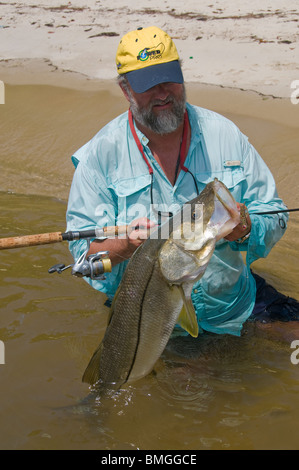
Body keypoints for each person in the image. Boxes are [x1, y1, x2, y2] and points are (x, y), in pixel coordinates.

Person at [66, 26, 299, 338]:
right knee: (187, 382)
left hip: (234, 304)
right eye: (149, 85)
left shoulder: (225, 135)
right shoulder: (99, 156)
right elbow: (83, 259)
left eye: (169, 79)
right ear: (125, 89)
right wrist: (124, 246)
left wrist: (247, 230)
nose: (163, 93)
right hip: (153, 317)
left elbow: (276, 213)